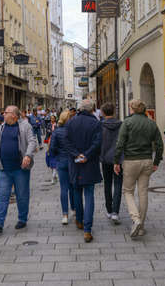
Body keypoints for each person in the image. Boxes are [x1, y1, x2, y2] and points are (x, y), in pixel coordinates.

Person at [114, 99, 164, 238]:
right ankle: (141, 226)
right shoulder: (151, 123)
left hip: (131, 161)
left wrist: (116, 161)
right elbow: (159, 145)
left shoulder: (127, 122)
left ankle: (135, 219)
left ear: (132, 108)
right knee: (143, 193)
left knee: (128, 191)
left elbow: (120, 143)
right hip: (147, 160)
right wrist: (156, 161)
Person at [0, 105, 37, 234]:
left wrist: (28, 155)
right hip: (4, 168)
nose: (3, 114)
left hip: (20, 168)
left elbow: (32, 141)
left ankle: (22, 219)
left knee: (22, 195)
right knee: (3, 196)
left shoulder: (25, 126)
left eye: (6, 112)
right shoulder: (2, 127)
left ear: (14, 116)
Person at [65, 99, 102, 243]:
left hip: (75, 163)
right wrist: (87, 154)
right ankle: (87, 229)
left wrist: (76, 154)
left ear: (80, 109)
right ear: (92, 109)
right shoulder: (95, 123)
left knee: (76, 191)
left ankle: (79, 220)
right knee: (89, 194)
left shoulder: (71, 122)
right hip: (89, 163)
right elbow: (98, 142)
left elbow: (66, 141)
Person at [49, 109, 75, 225]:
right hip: (73, 161)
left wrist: (57, 156)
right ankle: (74, 209)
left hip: (61, 161)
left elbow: (52, 148)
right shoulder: (74, 131)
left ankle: (65, 214)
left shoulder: (57, 132)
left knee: (63, 188)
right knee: (73, 187)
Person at [100, 102, 122, 224]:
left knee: (107, 183)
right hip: (118, 159)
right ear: (114, 112)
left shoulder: (100, 126)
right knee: (118, 183)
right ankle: (115, 212)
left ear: (103, 113)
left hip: (105, 159)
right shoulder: (121, 125)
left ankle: (109, 210)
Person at [45, 115, 58, 183]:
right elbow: (47, 133)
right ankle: (54, 174)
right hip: (50, 141)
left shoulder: (57, 125)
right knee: (50, 157)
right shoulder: (48, 124)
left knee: (54, 159)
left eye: (53, 118)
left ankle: (54, 175)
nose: (52, 119)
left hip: (55, 142)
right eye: (51, 118)